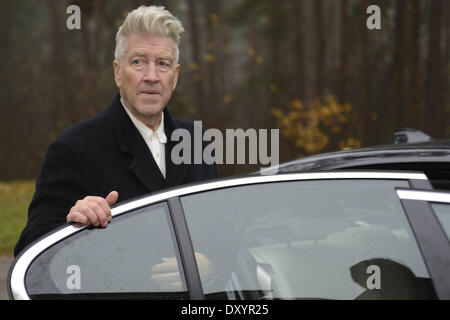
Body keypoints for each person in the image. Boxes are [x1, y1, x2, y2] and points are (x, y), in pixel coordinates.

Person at [14, 6, 218, 257]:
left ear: (174, 77)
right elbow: (30, 252)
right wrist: (69, 223)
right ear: (118, 72)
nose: (151, 76)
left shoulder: (198, 143)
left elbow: (220, 232)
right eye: (138, 62)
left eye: (162, 64)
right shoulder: (72, 150)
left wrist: (211, 266)